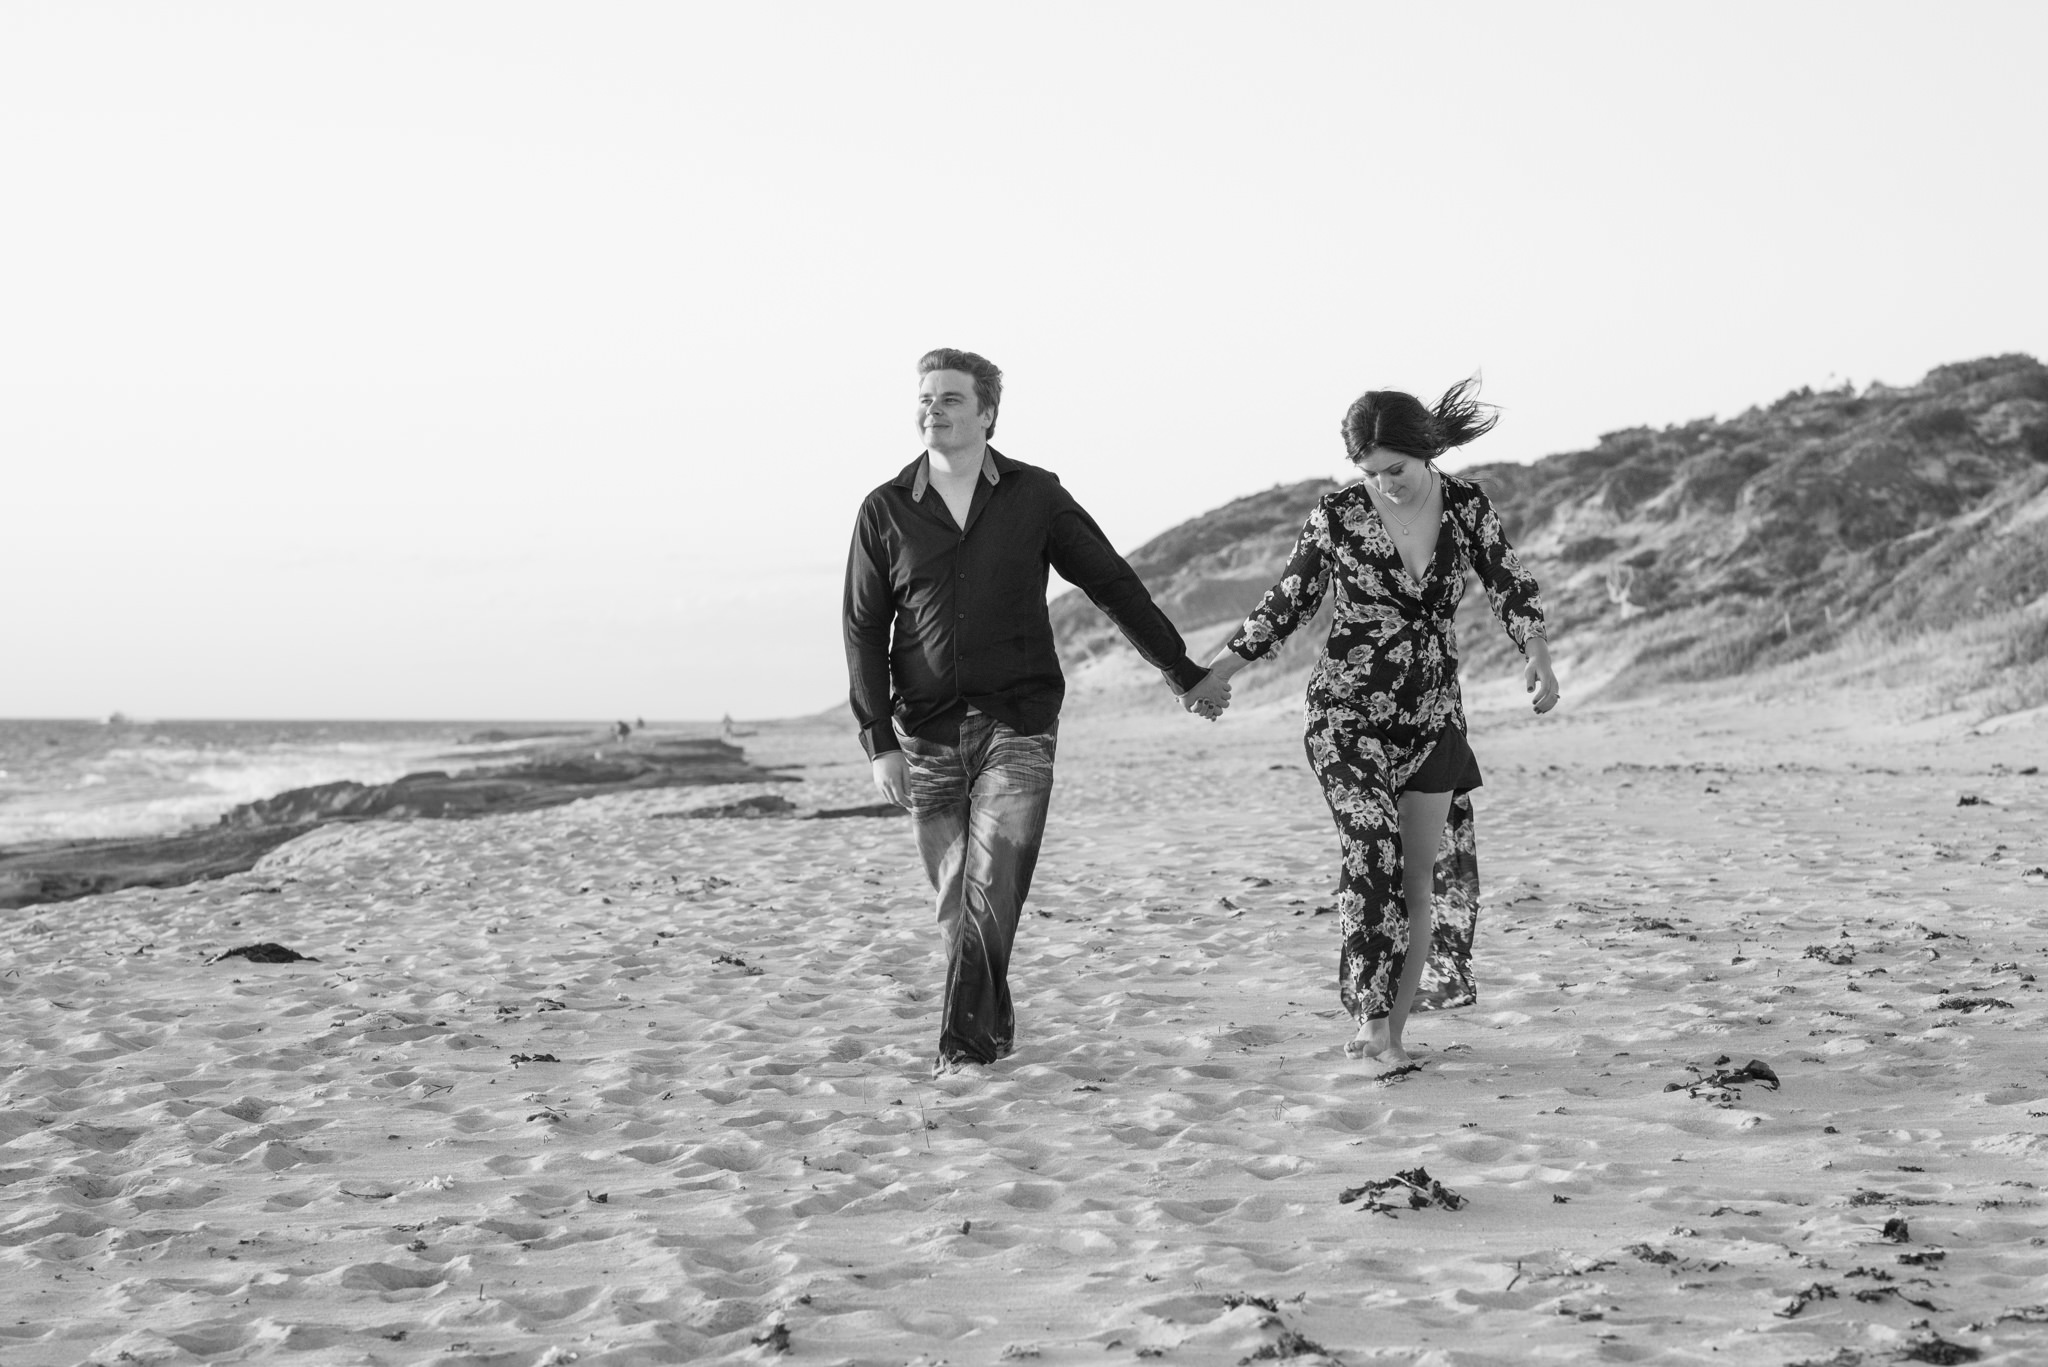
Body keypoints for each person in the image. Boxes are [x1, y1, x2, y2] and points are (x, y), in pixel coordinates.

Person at [843, 348, 1219, 1074]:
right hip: (924, 732)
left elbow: (1110, 581)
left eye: (951, 398)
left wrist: (1181, 669)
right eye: (925, 398)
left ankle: (965, 1049)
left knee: (995, 888)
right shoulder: (885, 509)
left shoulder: (1035, 495)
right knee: (959, 900)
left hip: (1017, 722)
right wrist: (876, 738)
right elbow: (863, 626)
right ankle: (994, 1020)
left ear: (987, 412)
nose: (934, 409)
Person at [1186, 378, 1557, 1072]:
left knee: (1417, 883)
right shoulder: (1337, 515)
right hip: (1346, 715)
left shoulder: (1468, 506)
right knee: (1372, 846)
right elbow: (1285, 605)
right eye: (1370, 472)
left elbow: (1510, 584)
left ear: (1425, 453)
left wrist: (1537, 655)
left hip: (1432, 717)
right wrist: (1219, 673)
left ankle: (1394, 1033)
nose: (1385, 484)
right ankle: (1368, 1013)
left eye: (1397, 469)